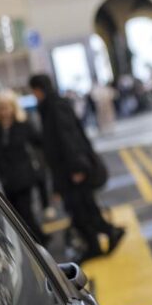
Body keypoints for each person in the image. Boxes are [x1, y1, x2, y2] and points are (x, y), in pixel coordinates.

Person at [28, 73, 124, 261]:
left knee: (81, 208)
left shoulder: (55, 107)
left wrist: (78, 168)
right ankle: (95, 244)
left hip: (71, 170)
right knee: (80, 208)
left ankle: (109, 232)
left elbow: (69, 139)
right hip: (65, 171)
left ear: (39, 89)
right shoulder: (51, 107)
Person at [0, 90, 48, 245]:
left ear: (13, 107)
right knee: (14, 213)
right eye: (1, 108)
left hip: (24, 175)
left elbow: (39, 142)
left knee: (26, 211)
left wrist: (43, 165)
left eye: (7, 107)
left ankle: (38, 240)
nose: (5, 111)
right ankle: (36, 239)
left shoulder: (23, 125)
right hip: (4, 178)